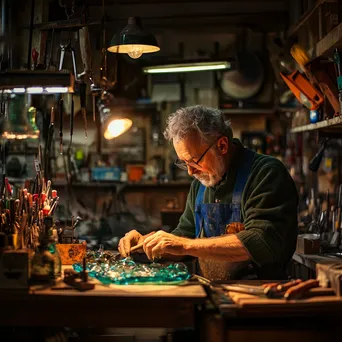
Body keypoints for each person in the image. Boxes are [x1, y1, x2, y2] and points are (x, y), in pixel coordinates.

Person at [118, 105, 298, 280]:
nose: (190, 172)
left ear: (221, 145)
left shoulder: (266, 173)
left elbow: (261, 240)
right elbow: (184, 236)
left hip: (260, 295)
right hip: (212, 291)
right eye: (183, 163)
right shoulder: (201, 183)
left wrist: (184, 245)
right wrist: (146, 244)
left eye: (194, 161)